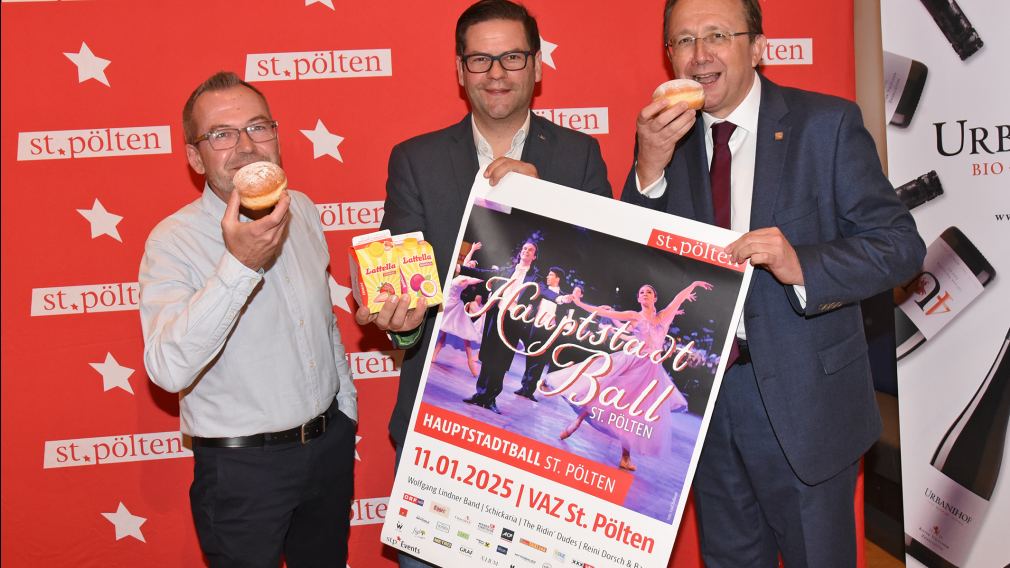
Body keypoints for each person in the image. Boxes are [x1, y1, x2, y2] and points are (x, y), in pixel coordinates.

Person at [622, 0, 926, 565]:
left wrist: (802, 264)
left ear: (758, 48)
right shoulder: (666, 138)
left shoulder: (826, 125)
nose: (699, 54)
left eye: (717, 35)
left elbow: (901, 247)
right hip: (703, 410)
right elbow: (635, 263)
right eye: (682, 41)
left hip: (807, 408)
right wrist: (648, 169)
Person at [355, 0, 610, 477]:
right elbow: (406, 302)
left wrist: (543, 200)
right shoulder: (415, 160)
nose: (496, 73)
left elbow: (597, 269)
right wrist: (399, 319)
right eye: (480, 59)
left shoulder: (580, 157)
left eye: (512, 57)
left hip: (533, 450)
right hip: (435, 434)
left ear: (536, 66)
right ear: (460, 69)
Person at [139, 71, 357, 567]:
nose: (245, 146)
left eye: (258, 127)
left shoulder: (301, 208)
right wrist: (238, 266)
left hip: (328, 448)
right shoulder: (171, 241)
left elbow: (322, 323)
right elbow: (167, 369)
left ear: (276, 137)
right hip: (241, 471)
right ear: (196, 157)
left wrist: (345, 408)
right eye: (221, 134)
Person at [546, 282, 707, 471]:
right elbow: (606, 314)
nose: (645, 294)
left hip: (650, 370)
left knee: (633, 413)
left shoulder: (664, 316)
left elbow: (678, 298)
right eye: (641, 292)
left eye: (649, 292)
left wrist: (694, 284)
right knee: (604, 396)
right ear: (638, 299)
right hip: (631, 364)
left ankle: (625, 457)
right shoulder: (633, 315)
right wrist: (580, 304)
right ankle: (577, 422)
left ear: (655, 298)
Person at [514, 265, 567, 401]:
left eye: (550, 275)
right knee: (530, 356)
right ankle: (524, 386)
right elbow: (533, 304)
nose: (547, 277)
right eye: (548, 274)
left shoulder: (563, 296)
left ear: (557, 278)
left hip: (549, 331)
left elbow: (563, 315)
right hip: (535, 327)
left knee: (541, 360)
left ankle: (530, 389)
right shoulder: (541, 289)